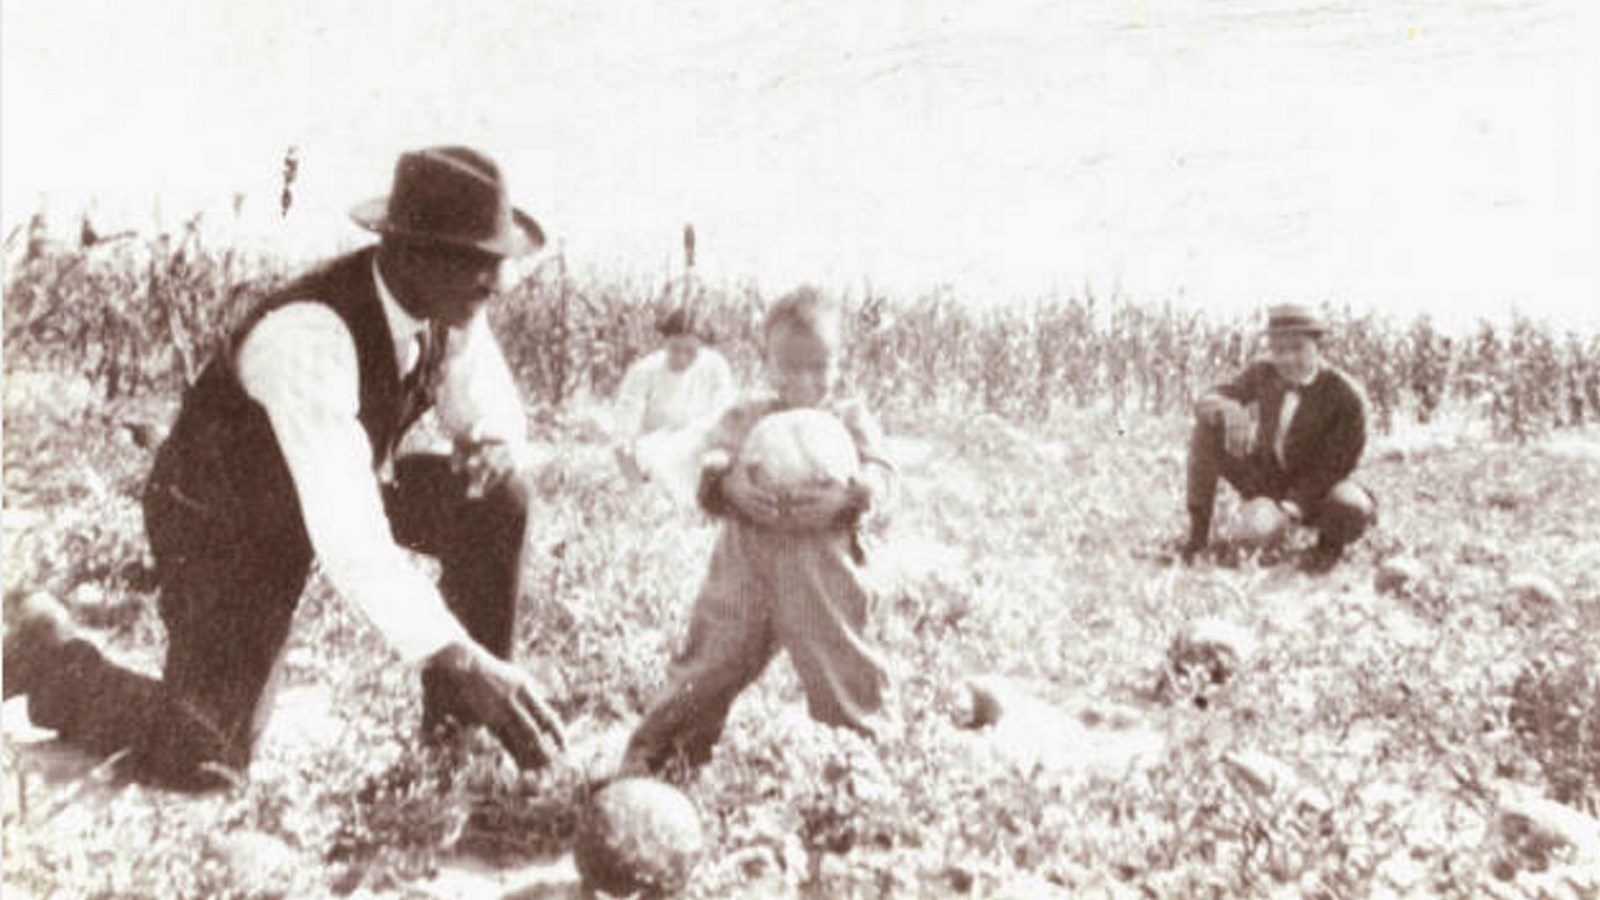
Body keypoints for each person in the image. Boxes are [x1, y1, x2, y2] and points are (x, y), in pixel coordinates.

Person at [3, 146, 566, 790]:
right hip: (227, 523)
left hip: (329, 491)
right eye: (478, 261)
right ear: (412, 253)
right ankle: (49, 658)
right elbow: (350, 538)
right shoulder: (309, 336)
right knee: (209, 755)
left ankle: (453, 747)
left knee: (497, 495)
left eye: (497, 260)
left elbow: (486, 398)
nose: (498, 281)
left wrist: (494, 442)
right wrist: (462, 656)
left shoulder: (448, 304)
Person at [621, 287, 896, 776]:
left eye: (818, 367)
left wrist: (851, 496)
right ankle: (662, 755)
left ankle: (859, 768)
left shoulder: (850, 418)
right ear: (766, 364)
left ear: (840, 363)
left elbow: (881, 474)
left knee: (841, 667)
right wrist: (728, 486)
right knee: (709, 662)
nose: (804, 381)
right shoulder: (746, 416)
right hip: (743, 566)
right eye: (789, 368)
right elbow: (707, 467)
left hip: (821, 576)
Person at [1182, 303, 1377, 570]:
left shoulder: (1346, 396)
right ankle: (1197, 539)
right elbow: (1206, 399)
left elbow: (1335, 468)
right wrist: (1228, 406)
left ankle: (1325, 551)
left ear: (1318, 347)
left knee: (1351, 506)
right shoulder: (1263, 372)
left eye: (1297, 348)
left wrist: (1287, 510)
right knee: (1207, 427)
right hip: (1268, 478)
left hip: (1319, 490)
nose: (1286, 358)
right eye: (1278, 350)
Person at [612, 307, 736, 499]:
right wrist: (636, 487)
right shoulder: (644, 371)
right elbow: (623, 438)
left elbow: (723, 418)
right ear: (664, 342)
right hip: (656, 448)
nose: (681, 357)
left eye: (690, 351)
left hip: (701, 447)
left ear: (701, 346)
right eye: (675, 349)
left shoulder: (716, 367)